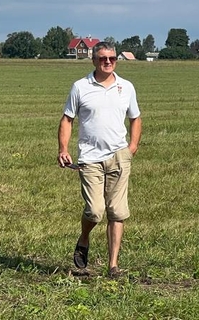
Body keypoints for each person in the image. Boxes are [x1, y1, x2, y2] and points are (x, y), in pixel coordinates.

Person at [58, 42, 142, 278]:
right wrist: (63, 148)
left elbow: (135, 118)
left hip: (119, 157)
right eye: (103, 58)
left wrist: (131, 147)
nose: (108, 62)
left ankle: (113, 266)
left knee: (117, 212)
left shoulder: (126, 87)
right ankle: (84, 238)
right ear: (94, 60)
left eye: (112, 59)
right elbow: (67, 120)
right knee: (95, 211)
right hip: (90, 158)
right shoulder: (80, 87)